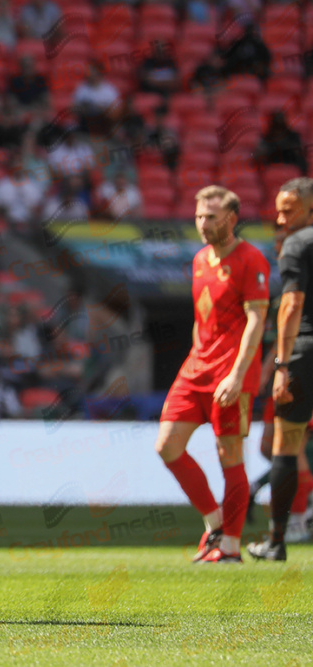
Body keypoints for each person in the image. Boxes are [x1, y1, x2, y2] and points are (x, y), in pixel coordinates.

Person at [155, 185, 269, 563]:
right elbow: (201, 318)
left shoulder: (251, 259)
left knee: (230, 455)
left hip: (231, 371)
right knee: (168, 445)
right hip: (196, 367)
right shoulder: (200, 259)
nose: (203, 224)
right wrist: (195, 356)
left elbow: (257, 321)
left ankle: (231, 546)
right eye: (199, 216)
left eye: (211, 217)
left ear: (232, 219)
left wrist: (237, 375)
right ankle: (214, 523)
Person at [248, 178, 313, 560]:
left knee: (285, 446)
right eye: (279, 209)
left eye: (289, 209)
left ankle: (277, 540)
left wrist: (282, 364)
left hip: (305, 351)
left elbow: (291, 305)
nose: (281, 217)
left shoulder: (297, 244)